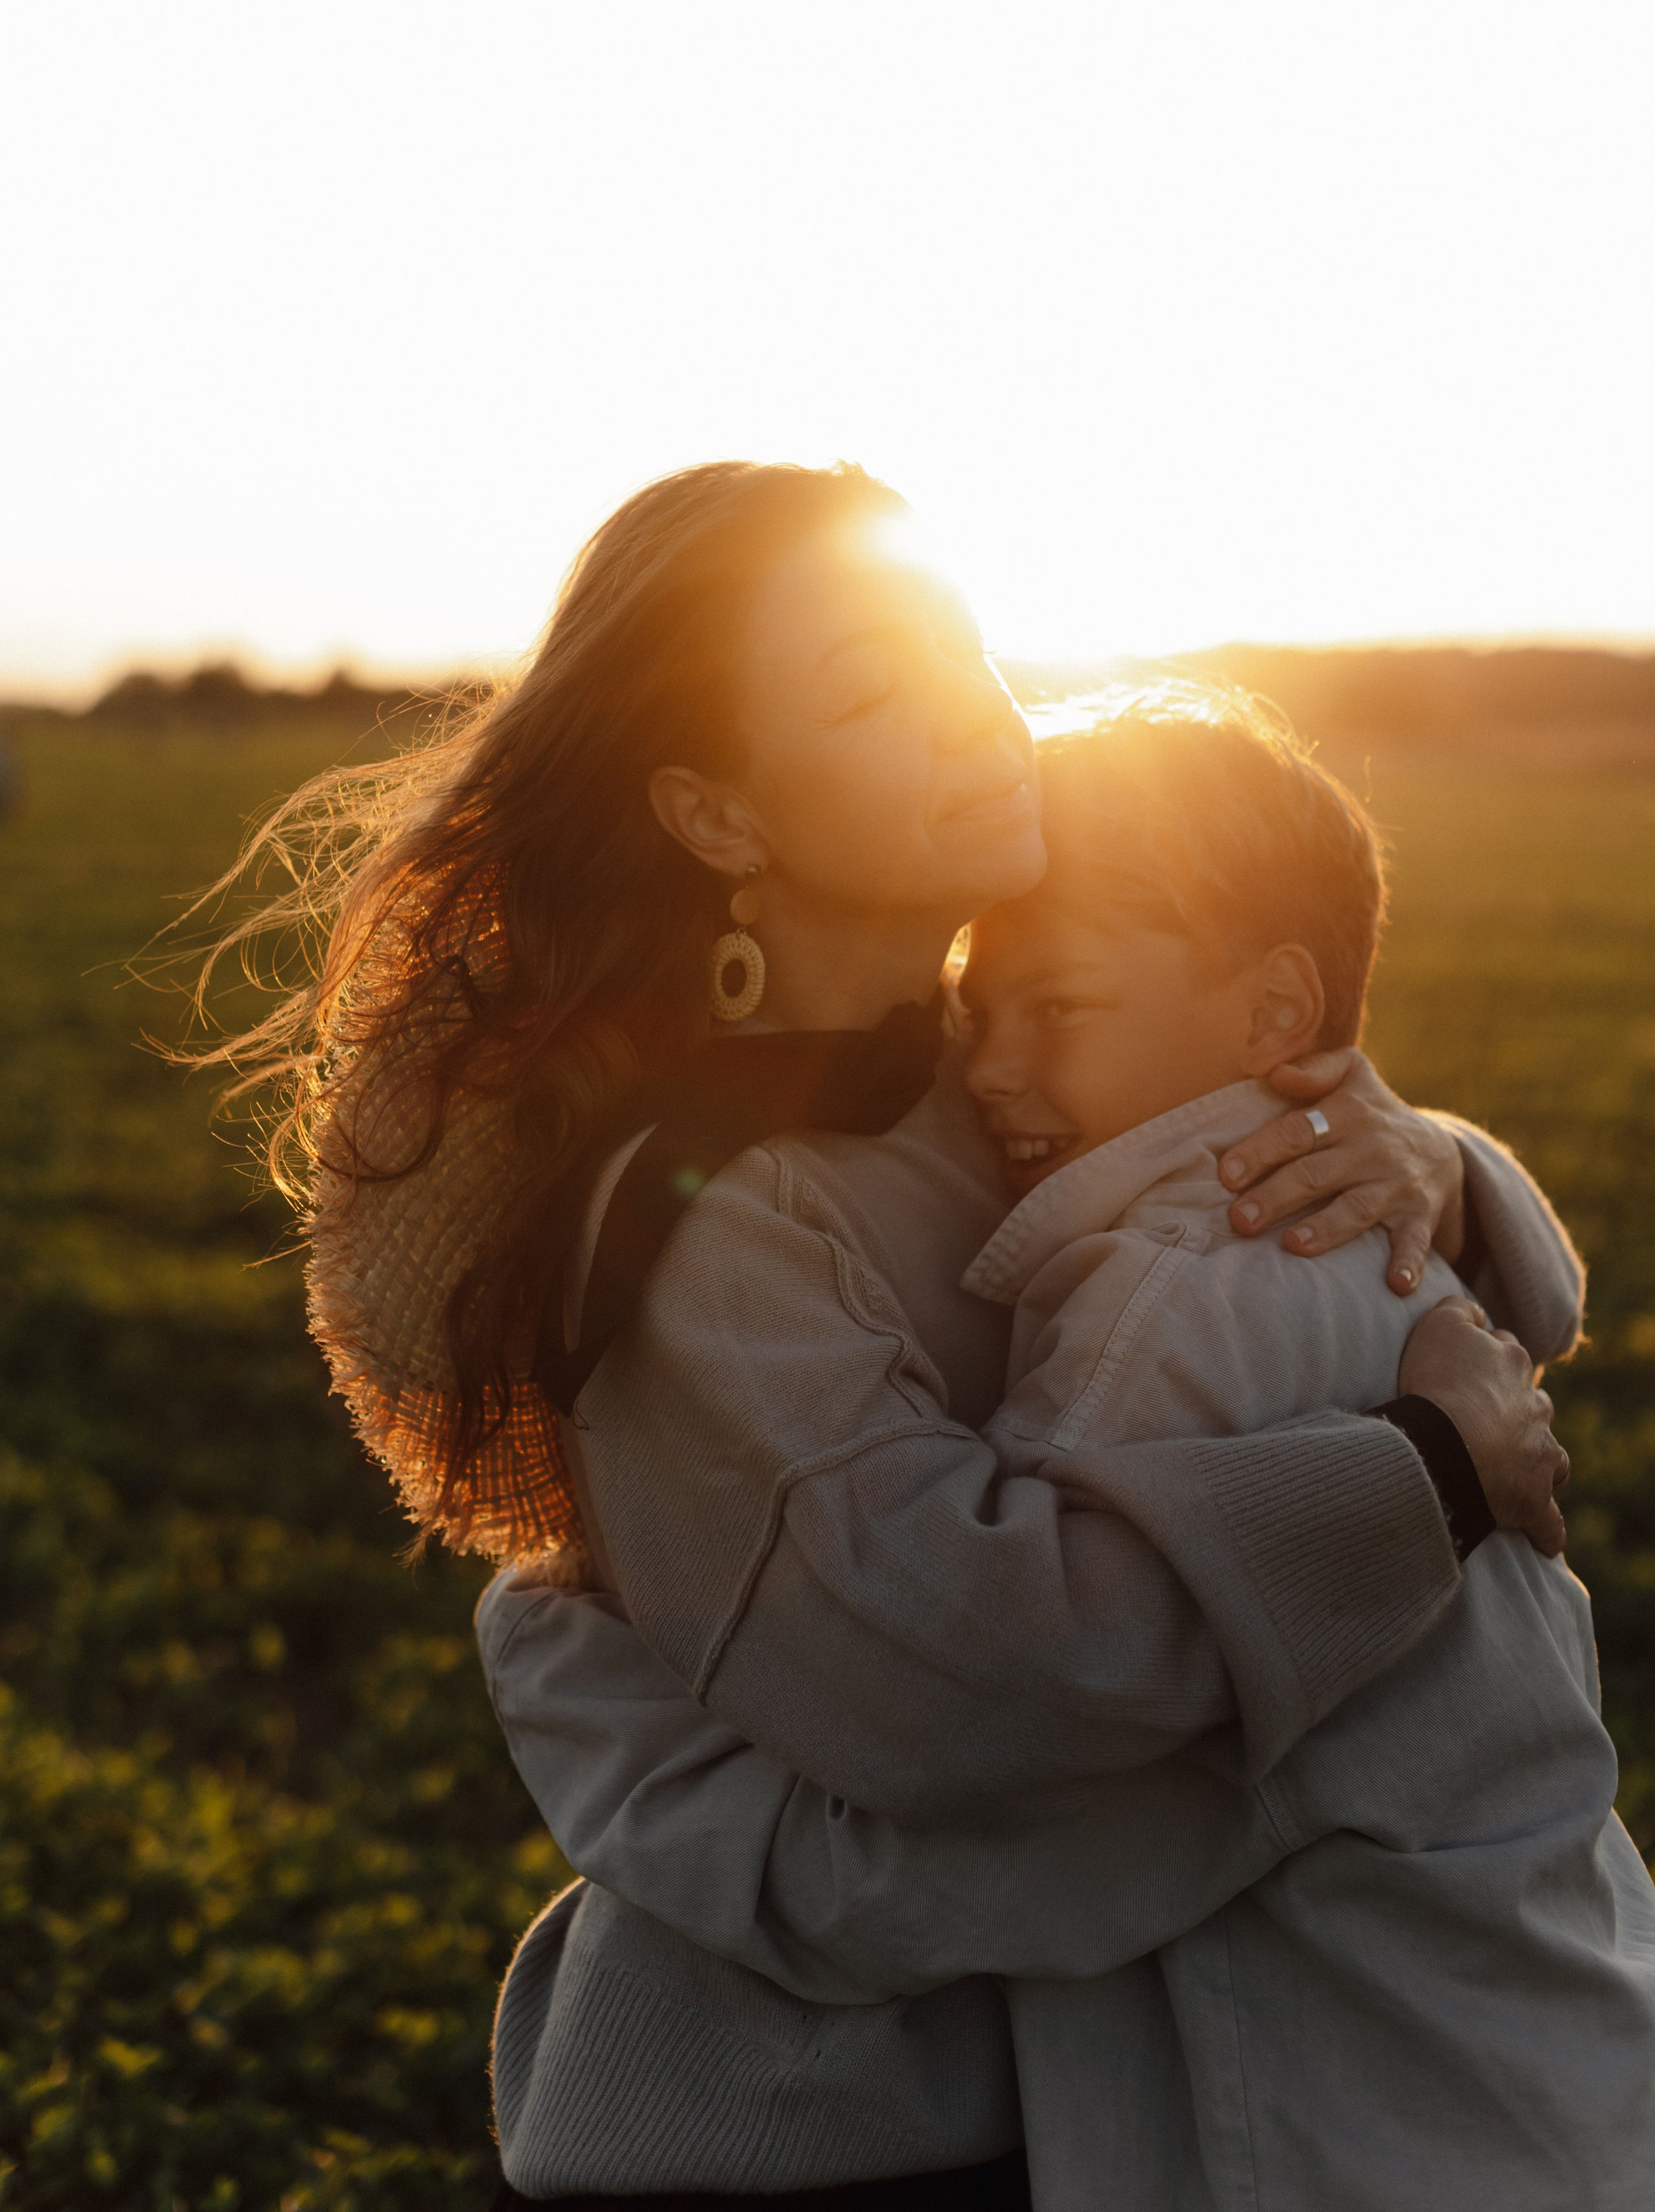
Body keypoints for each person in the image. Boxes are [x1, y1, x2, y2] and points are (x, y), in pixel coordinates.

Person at [233, 460, 1575, 2207]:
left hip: (1075, 2096)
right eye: (871, 692)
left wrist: (1426, 1162)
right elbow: (974, 1686)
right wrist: (1424, 1490)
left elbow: (1311, 1191)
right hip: (807, 2135)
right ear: (720, 814)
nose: (971, 718)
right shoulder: (706, 1216)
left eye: (961, 644)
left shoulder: (1004, 1060)